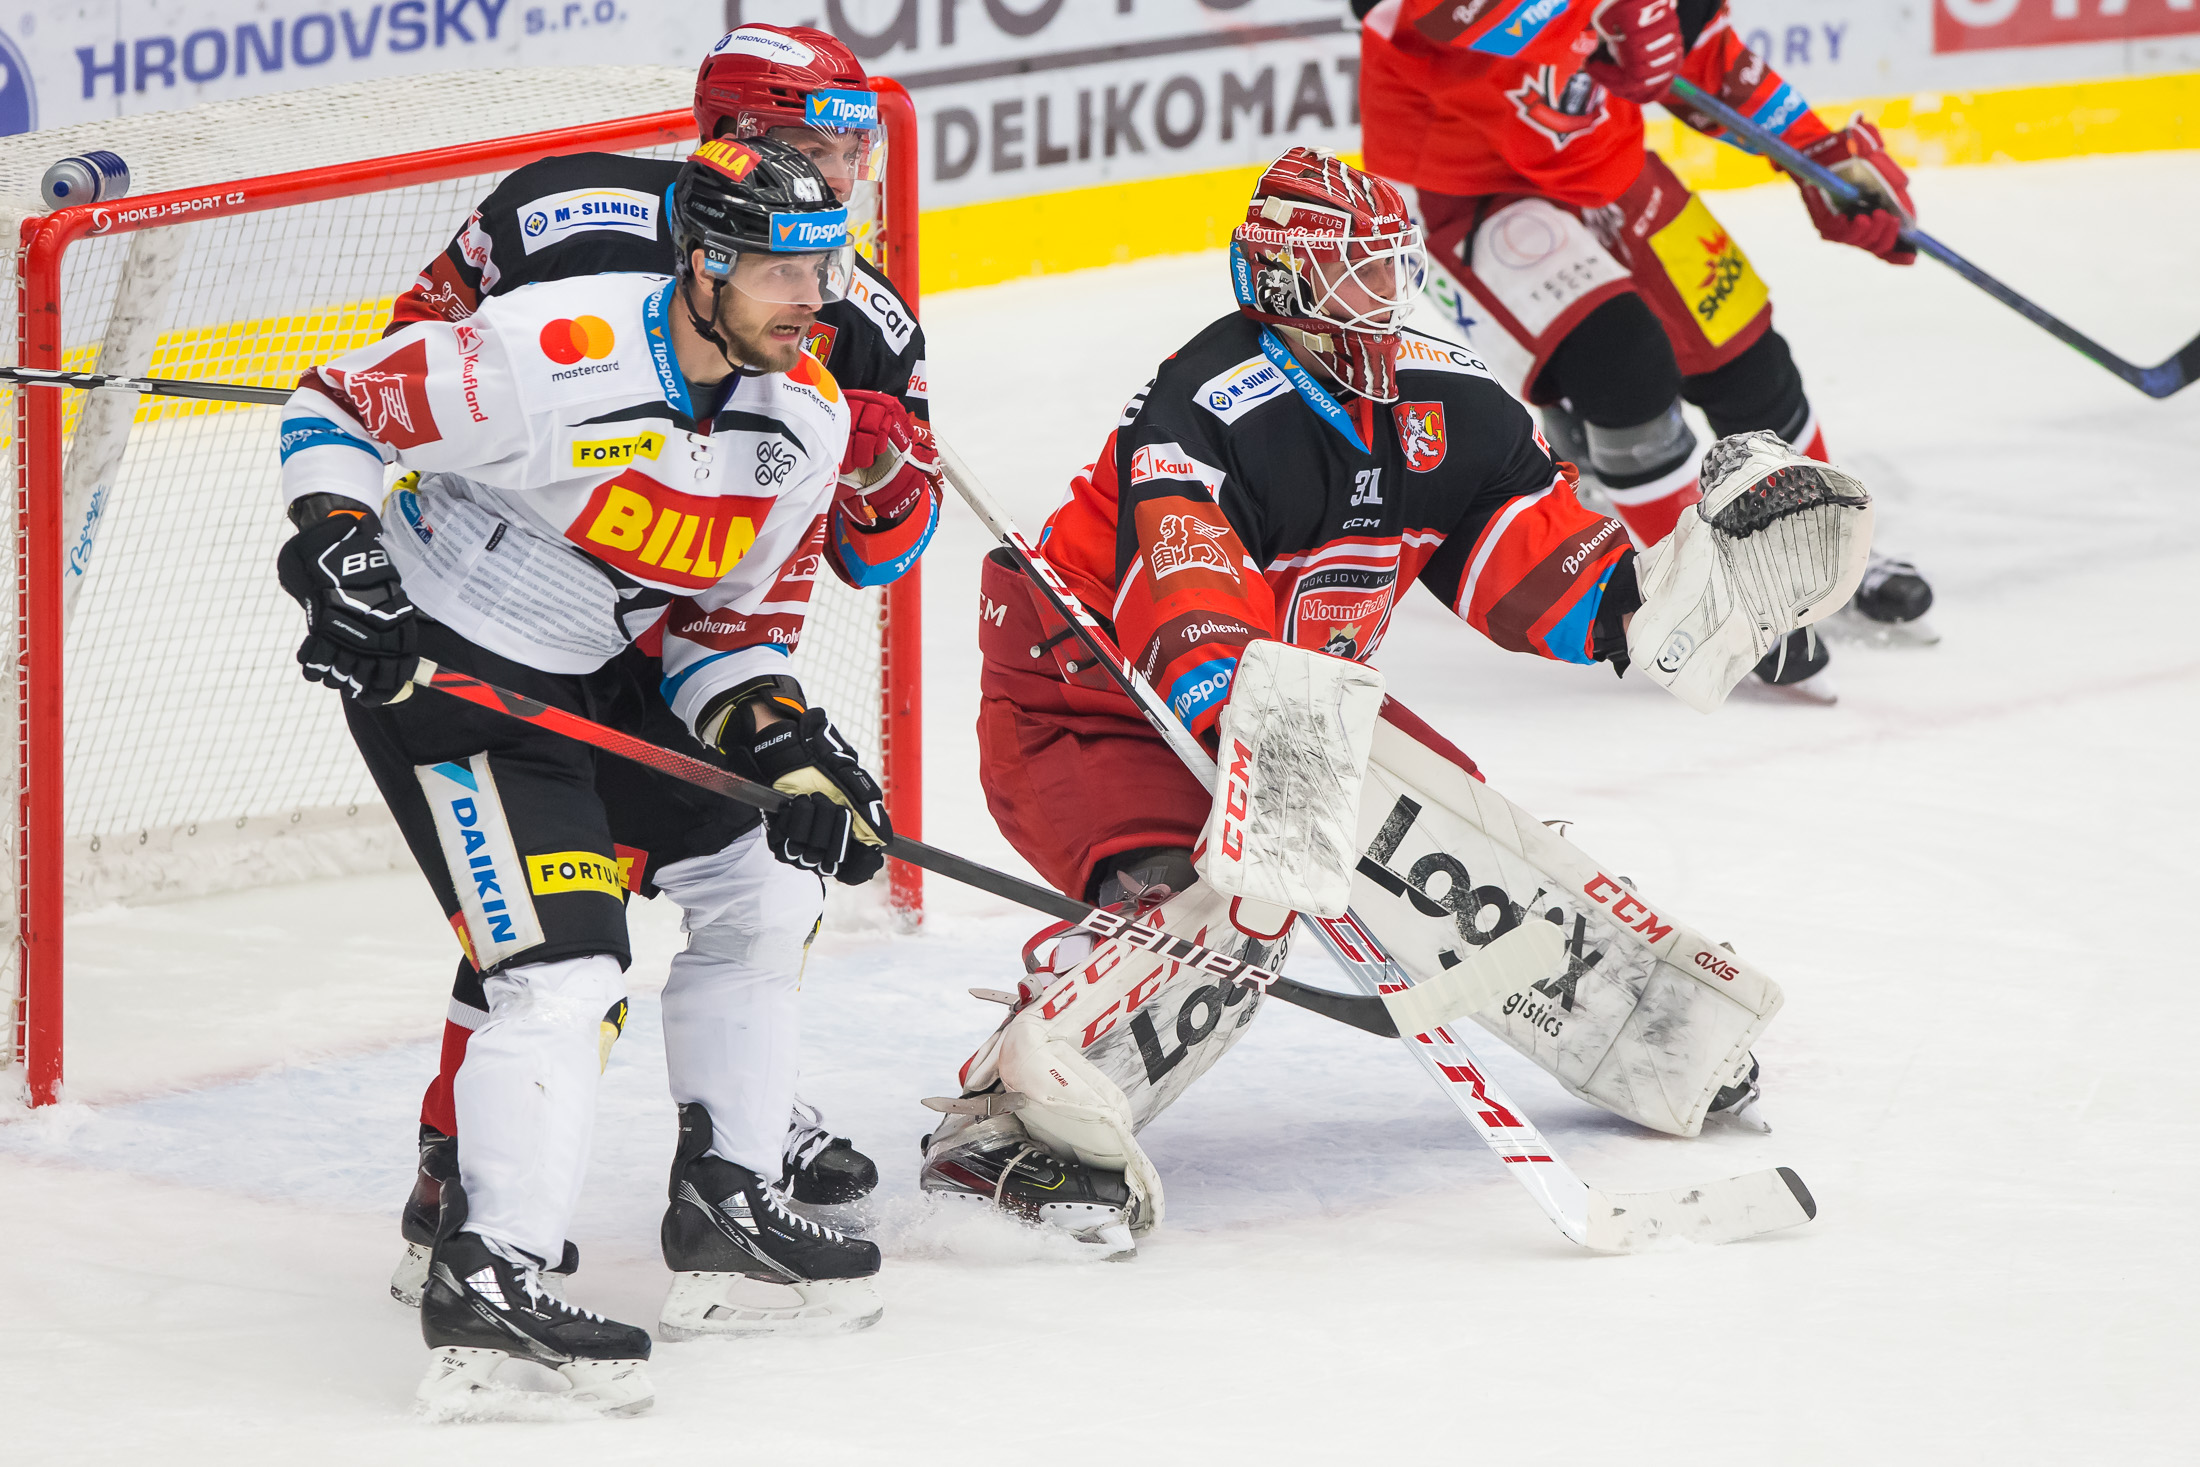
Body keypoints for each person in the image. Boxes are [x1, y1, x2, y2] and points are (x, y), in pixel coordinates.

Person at [916, 147, 1867, 1246]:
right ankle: (1013, 1125)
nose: (1382, 297)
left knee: (1455, 839)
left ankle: (1651, 1029)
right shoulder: (1205, 407)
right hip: (1090, 694)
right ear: (1283, 285)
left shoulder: (1447, 398)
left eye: (1389, 269)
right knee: (1227, 899)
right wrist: (1266, 757)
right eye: (1352, 275)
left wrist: (1643, 607)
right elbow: (1186, 593)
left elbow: (1526, 558)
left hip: (1296, 691)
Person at [278, 138, 891, 1414]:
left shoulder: (806, 421)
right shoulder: (548, 351)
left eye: (824, 267)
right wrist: (339, 550)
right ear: (703, 264)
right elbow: (335, 403)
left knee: (767, 881)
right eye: (781, 270)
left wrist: (781, 739)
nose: (813, 298)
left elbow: (727, 632)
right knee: (562, 973)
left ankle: (728, 1197)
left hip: (597, 671)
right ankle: (488, 1270)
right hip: (448, 671)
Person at [384, 23, 941, 1310]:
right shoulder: (560, 215)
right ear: (736, 138)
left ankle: (734, 1156)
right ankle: (461, 1192)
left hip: (687, 641)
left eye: (854, 150)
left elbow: (873, 552)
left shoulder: (856, 319)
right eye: (817, 145)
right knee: (554, 930)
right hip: (511, 614)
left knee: (760, 881)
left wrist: (878, 464)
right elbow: (408, 356)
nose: (844, 176)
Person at [1356, 0, 1934, 699]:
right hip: (1465, 186)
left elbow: (1694, 46)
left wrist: (1816, 153)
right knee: (1623, 367)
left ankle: (1817, 547)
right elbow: (1422, 13)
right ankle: (1705, 592)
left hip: (1606, 165)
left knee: (1746, 357)